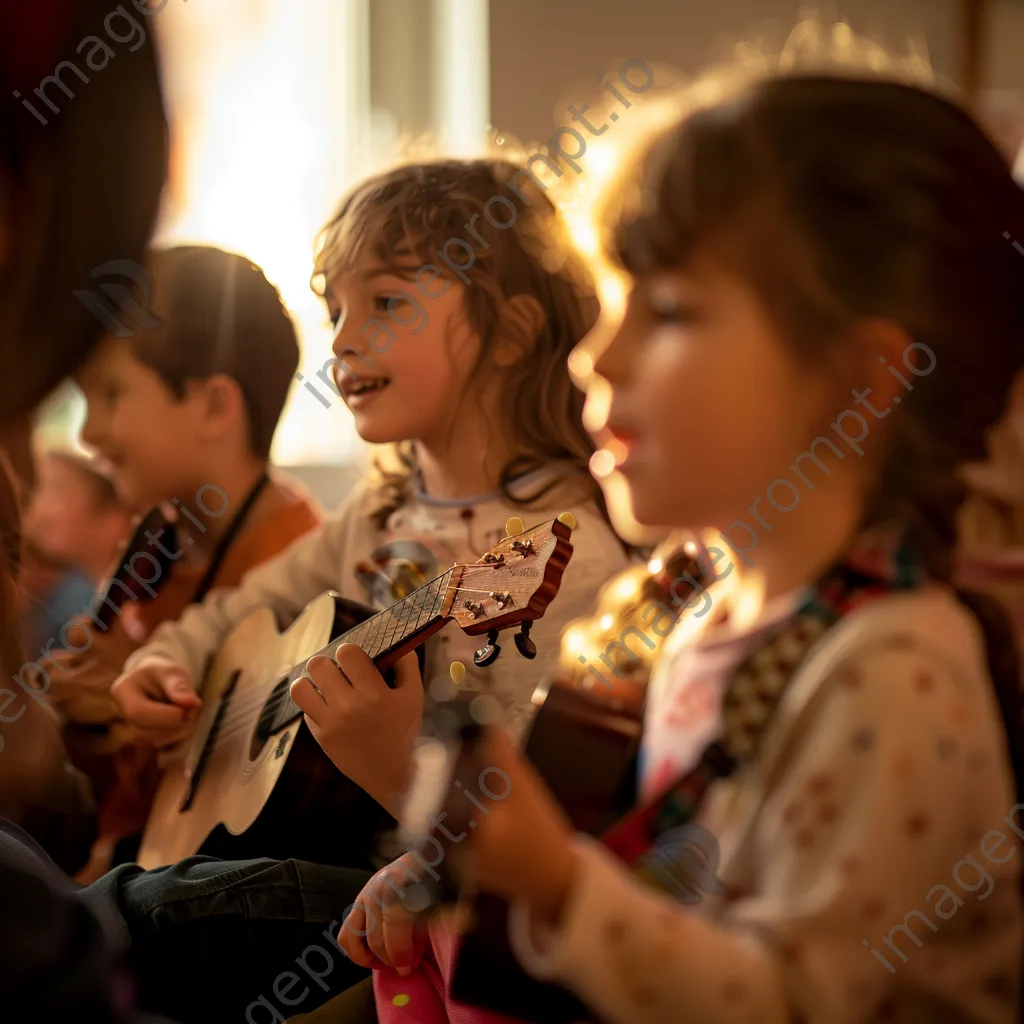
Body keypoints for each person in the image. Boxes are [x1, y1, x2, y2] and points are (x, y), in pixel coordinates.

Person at [335, 70, 1024, 1023]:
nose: (595, 357)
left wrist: (556, 890)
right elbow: (674, 889)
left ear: (859, 382)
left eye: (668, 313)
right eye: (613, 302)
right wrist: (470, 866)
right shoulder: (697, 614)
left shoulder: (892, 672)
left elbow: (791, 1002)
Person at [111, 159, 632, 828]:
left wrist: (395, 770)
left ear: (510, 332)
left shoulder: (567, 561)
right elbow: (230, 614)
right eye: (336, 311)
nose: (342, 341)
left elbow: (522, 845)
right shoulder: (378, 512)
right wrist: (161, 663)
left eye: (385, 303)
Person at [49, 245, 323, 877]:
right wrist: (91, 724)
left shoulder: (300, 572)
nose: (88, 435)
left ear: (213, 408)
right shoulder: (156, 543)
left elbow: (251, 801)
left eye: (110, 396)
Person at [20, 451, 130, 661]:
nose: (38, 510)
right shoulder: (64, 596)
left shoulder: (139, 605)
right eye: (39, 491)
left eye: (58, 489)